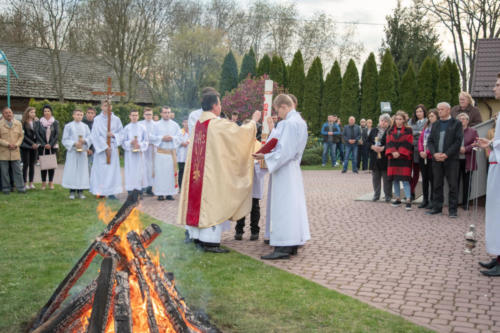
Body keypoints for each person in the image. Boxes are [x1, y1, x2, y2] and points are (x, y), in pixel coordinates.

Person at [178, 91, 260, 253]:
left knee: (199, 202)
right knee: (211, 202)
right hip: (210, 176)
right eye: (220, 103)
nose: (221, 106)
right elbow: (239, 134)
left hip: (197, 175)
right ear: (215, 106)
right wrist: (254, 121)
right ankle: (209, 242)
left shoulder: (199, 124)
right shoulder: (216, 123)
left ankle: (198, 237)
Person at [253, 94, 310, 259]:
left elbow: (284, 151)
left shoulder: (290, 123)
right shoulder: (299, 122)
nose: (278, 115)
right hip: (292, 169)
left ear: (284, 106)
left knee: (283, 206)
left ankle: (283, 246)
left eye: (278, 111)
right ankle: (290, 244)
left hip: (285, 170)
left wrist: (265, 157)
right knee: (291, 206)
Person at [475, 72, 500, 276]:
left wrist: (493, 144)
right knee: (494, 213)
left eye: (498, 85)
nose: (494, 88)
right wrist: (489, 143)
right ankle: (498, 256)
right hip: (495, 165)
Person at [426, 102, 463, 218]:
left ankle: (453, 210)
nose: (439, 111)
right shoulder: (435, 124)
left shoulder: (456, 124)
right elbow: (430, 141)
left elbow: (458, 141)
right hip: (436, 159)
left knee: (453, 185)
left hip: (451, 160)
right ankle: (437, 207)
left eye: (442, 109)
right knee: (437, 184)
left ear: (448, 110)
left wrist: (446, 154)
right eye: (438, 109)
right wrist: (434, 153)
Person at [89, 100, 123, 199]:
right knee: (100, 171)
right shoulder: (97, 120)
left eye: (109, 105)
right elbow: (95, 135)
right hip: (101, 149)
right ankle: (100, 192)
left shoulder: (116, 119)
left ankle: (111, 192)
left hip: (112, 147)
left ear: (111, 107)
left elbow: (121, 133)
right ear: (101, 107)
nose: (107, 107)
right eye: (105, 105)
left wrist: (113, 135)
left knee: (112, 171)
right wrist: (104, 147)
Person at [152, 106, 181, 201]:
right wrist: (162, 138)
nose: (167, 114)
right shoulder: (156, 125)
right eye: (165, 112)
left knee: (170, 175)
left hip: (170, 154)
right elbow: (151, 137)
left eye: (168, 112)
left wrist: (172, 138)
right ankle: (160, 194)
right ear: (161, 113)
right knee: (160, 175)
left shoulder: (175, 125)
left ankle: (169, 193)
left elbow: (179, 137)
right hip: (161, 153)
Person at [386, 111, 413, 210]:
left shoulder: (408, 130)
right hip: (393, 158)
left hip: (404, 158)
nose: (398, 121)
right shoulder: (390, 130)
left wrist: (400, 153)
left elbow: (408, 143)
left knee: (405, 180)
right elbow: (388, 142)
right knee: (395, 179)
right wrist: (393, 152)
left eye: (400, 119)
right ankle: (397, 198)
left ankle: (408, 199)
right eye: (397, 119)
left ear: (404, 120)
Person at [61, 109, 91, 199]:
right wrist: (74, 143)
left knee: (82, 171)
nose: (79, 116)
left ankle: (80, 191)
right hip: (73, 152)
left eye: (81, 115)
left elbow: (90, 137)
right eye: (77, 114)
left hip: (82, 152)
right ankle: (72, 191)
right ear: (73, 115)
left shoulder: (85, 126)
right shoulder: (68, 126)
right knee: (72, 171)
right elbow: (65, 139)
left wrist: (84, 141)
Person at [122, 110, 148, 195]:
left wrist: (139, 145)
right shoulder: (126, 128)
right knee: (130, 172)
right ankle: (130, 190)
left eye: (136, 115)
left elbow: (146, 140)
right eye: (133, 115)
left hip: (139, 153)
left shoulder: (142, 127)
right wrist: (130, 142)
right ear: (130, 116)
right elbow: (123, 141)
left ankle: (139, 190)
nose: (134, 117)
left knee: (139, 171)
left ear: (138, 116)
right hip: (130, 154)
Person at [0, 106, 25, 194]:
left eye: (10, 112)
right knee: (4, 172)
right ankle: (6, 188)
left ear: (12, 113)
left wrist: (16, 144)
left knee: (18, 171)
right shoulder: (0, 124)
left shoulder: (18, 123)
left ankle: (21, 188)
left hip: (15, 150)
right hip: (3, 152)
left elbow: (21, 136)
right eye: (6, 113)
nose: (8, 114)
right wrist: (7, 144)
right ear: (3, 114)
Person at [368, 114, 392, 202]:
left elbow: (392, 143)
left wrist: (384, 148)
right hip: (375, 158)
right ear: (379, 121)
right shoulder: (374, 130)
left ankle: (388, 196)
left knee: (386, 178)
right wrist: (372, 147)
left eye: (386, 121)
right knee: (375, 178)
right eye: (382, 120)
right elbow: (367, 142)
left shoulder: (390, 131)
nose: (383, 123)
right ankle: (376, 195)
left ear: (389, 122)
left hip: (385, 158)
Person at [418, 109, 438, 209]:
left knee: (432, 179)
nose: (430, 118)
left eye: (432, 116)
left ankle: (432, 200)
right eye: (429, 116)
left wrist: (428, 152)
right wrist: (421, 151)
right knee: (424, 179)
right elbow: (421, 140)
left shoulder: (437, 127)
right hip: (423, 157)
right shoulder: (426, 127)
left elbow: (435, 143)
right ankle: (424, 199)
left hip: (431, 157)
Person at [457, 113, 478, 210]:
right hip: (456, 160)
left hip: (468, 160)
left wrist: (466, 149)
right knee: (455, 182)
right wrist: (457, 148)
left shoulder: (473, 131)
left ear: (467, 121)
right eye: (460, 119)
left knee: (467, 183)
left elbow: (476, 144)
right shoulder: (454, 131)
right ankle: (455, 202)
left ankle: (465, 203)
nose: (462, 120)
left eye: (464, 119)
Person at [36, 104, 60, 190]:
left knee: (51, 165)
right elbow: (37, 134)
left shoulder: (55, 122)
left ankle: (50, 183)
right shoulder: (39, 122)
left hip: (52, 147)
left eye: (48, 111)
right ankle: (43, 184)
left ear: (51, 112)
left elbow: (57, 134)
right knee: (43, 165)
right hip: (42, 147)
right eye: (45, 111)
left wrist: (51, 144)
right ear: (43, 112)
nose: (46, 112)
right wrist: (44, 144)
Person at [408, 104, 427, 201]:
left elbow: (425, 133)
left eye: (421, 111)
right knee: (408, 172)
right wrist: (418, 132)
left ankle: (412, 192)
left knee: (416, 172)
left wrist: (417, 132)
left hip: (420, 150)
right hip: (410, 149)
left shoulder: (427, 121)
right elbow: (409, 131)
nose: (419, 113)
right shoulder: (411, 121)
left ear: (424, 112)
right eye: (417, 111)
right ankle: (411, 191)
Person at [138, 107, 156, 196]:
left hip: (152, 149)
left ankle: (149, 187)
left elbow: (158, 136)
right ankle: (141, 188)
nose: (149, 116)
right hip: (143, 150)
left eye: (150, 114)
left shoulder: (156, 124)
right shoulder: (139, 124)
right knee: (142, 168)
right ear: (143, 115)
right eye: (147, 114)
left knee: (151, 168)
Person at [20, 107, 39, 190]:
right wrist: (32, 144)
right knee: (26, 165)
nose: (33, 114)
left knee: (32, 165)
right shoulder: (23, 123)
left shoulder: (35, 122)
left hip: (34, 147)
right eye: (31, 112)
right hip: (26, 146)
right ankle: (24, 183)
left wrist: (36, 144)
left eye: (34, 112)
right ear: (27, 113)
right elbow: (23, 136)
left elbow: (38, 134)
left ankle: (31, 183)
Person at [177, 118, 190, 189]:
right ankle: (181, 186)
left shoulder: (191, 132)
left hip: (189, 153)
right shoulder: (179, 132)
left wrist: (187, 142)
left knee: (188, 171)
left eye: (188, 122)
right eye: (185, 122)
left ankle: (187, 187)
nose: (186, 124)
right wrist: (182, 143)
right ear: (183, 123)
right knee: (181, 170)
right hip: (181, 154)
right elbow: (177, 140)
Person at [83, 107, 96, 172]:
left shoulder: (97, 124)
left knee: (95, 170)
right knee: (85, 170)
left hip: (94, 150)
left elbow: (96, 138)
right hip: (84, 150)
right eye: (88, 113)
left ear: (94, 114)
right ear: (86, 114)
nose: (90, 114)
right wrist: (86, 149)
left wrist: (92, 149)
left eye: (92, 113)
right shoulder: (82, 124)